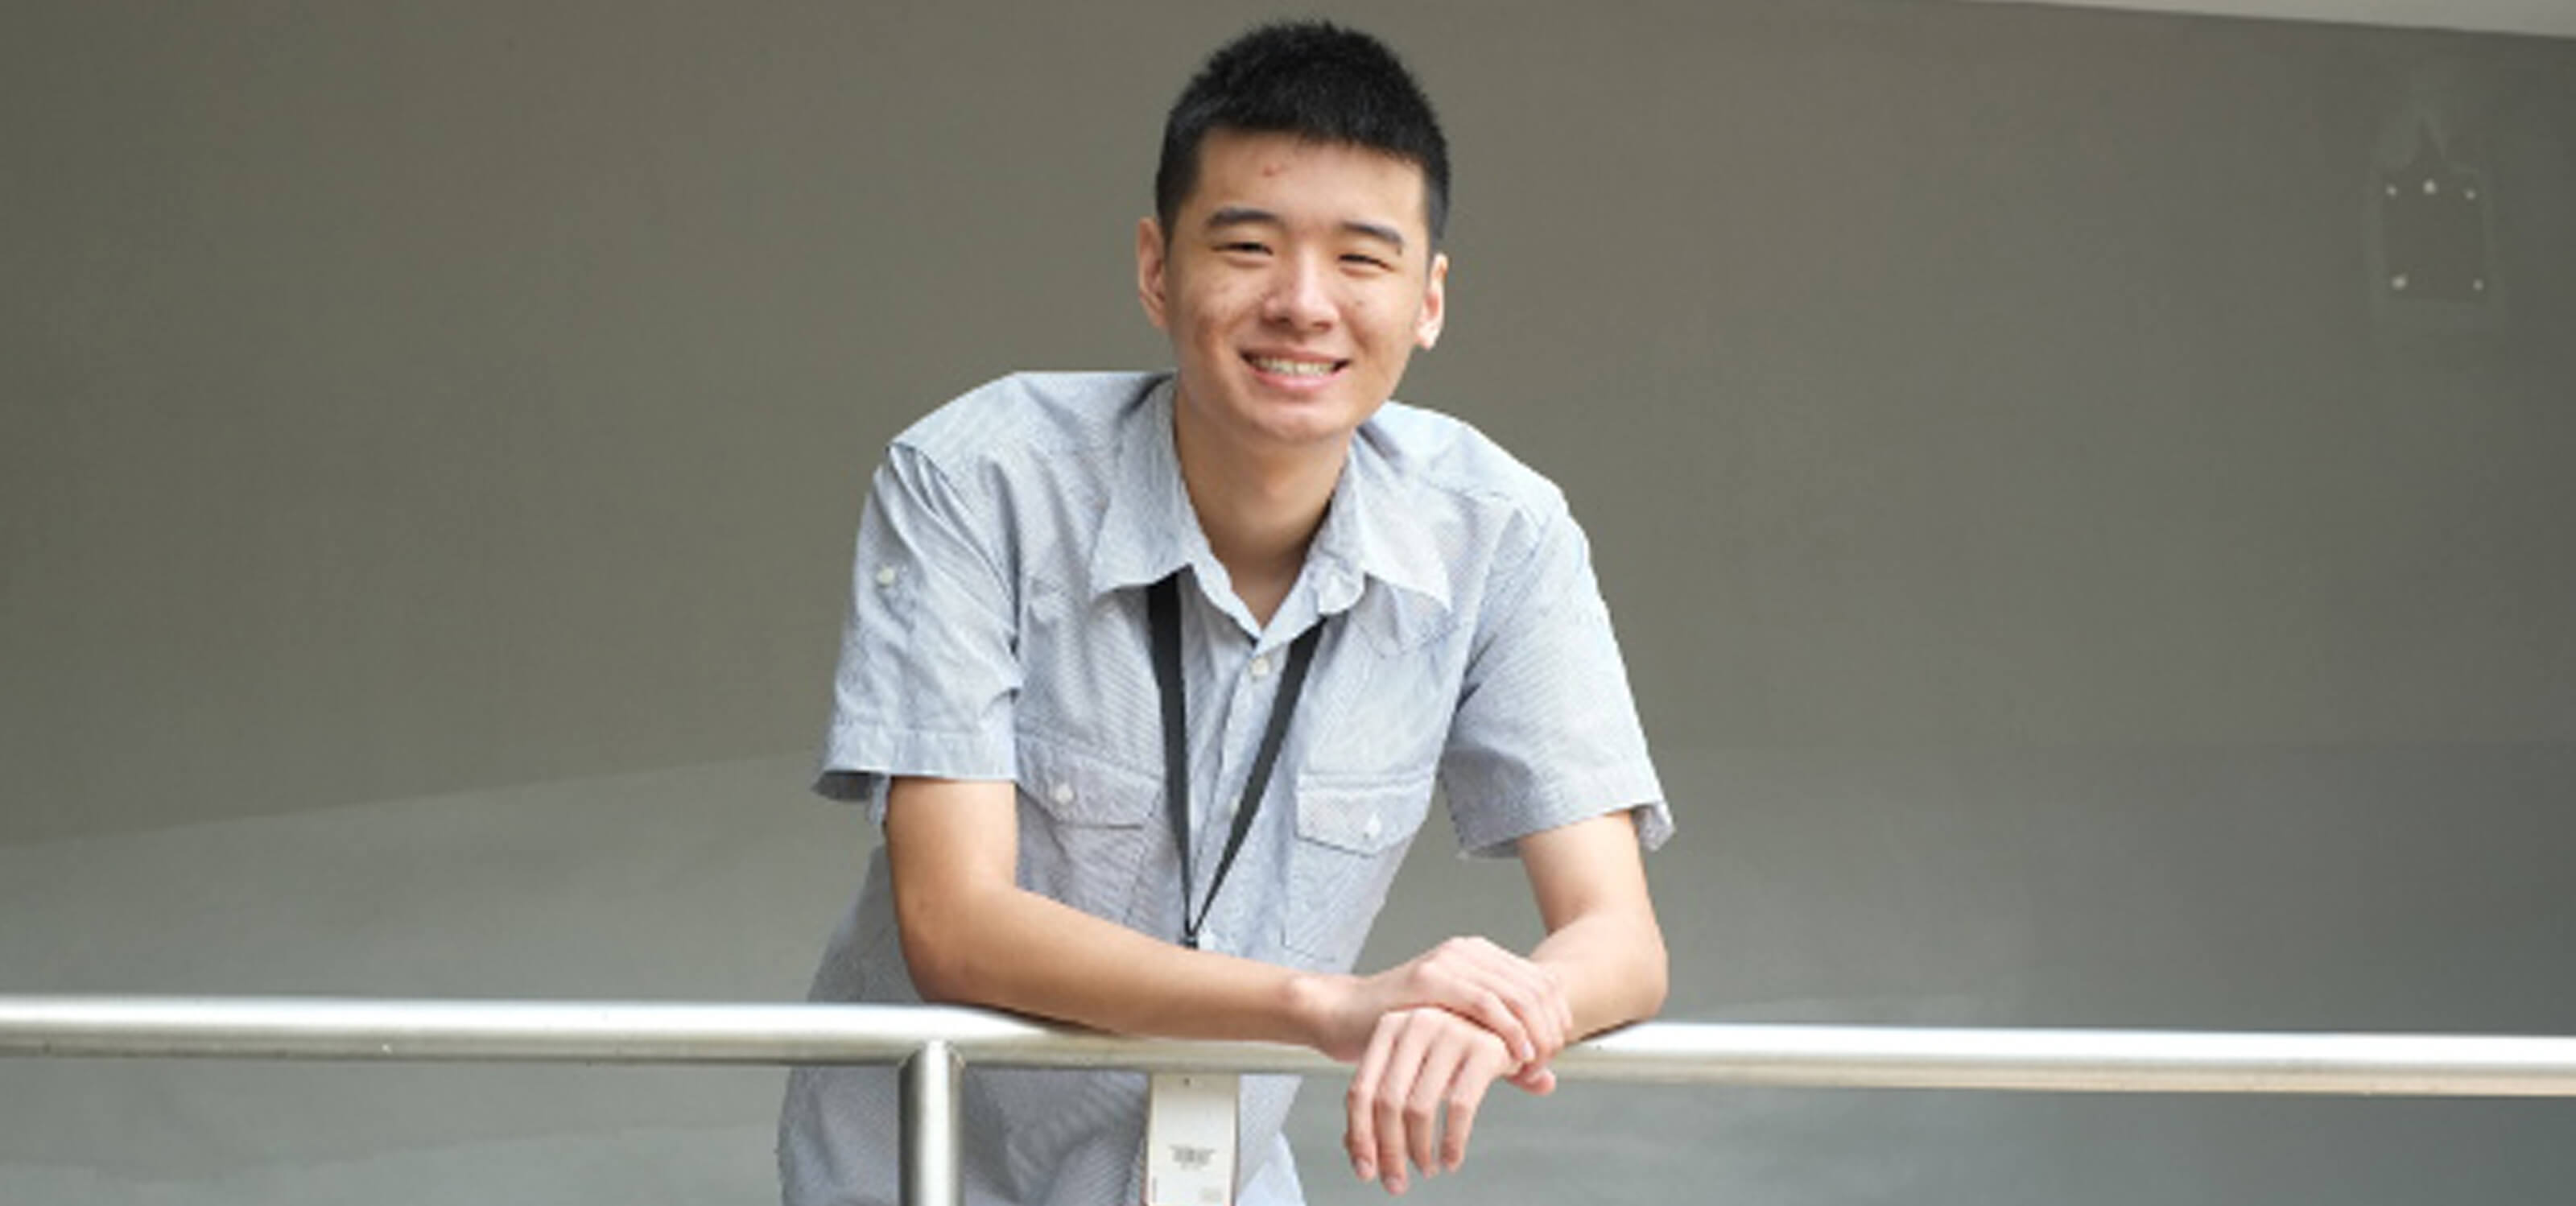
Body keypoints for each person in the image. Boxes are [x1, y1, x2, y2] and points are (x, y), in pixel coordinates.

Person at [779, 20, 1671, 1206]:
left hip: (1219, 1179)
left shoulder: (1501, 534)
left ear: (1428, 299)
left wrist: (1499, 1006)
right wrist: (1333, 1008)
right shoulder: (974, 482)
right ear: (1157, 267)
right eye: (1248, 245)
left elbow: (1621, 937)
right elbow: (953, 918)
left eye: (1362, 259)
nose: (1304, 303)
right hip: (926, 1170)